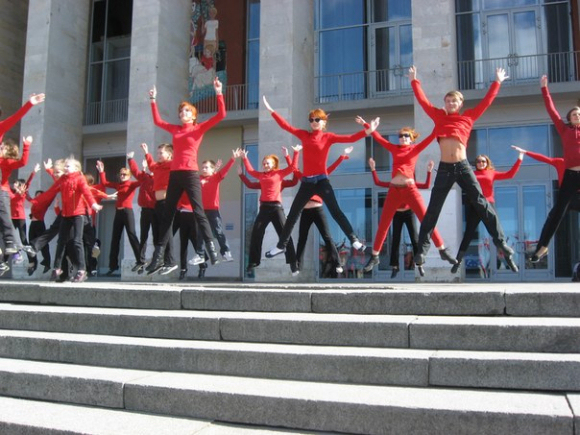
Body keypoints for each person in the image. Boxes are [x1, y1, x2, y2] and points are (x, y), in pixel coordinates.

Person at [408, 65, 518, 272]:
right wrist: (415, 80)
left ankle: (501, 242)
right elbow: (423, 102)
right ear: (445, 103)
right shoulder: (438, 116)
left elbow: (486, 103)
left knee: (482, 204)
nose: (451, 103)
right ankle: (421, 250)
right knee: (433, 209)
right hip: (445, 168)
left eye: (454, 101)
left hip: (463, 166)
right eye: (448, 101)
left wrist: (497, 82)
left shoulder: (467, 117)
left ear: (460, 103)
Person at [262, 96, 379, 259]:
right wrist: (271, 110)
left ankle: (355, 242)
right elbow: (285, 126)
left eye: (317, 119)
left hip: (322, 181)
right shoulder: (304, 135)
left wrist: (368, 130)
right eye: (311, 119)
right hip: (307, 183)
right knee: (293, 215)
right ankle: (281, 246)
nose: (314, 122)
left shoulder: (328, 137)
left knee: (336, 211)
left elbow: (350, 138)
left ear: (324, 122)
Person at [146, 77, 226, 274]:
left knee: (199, 212)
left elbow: (221, 115)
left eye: (187, 111)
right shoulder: (175, 129)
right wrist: (153, 99)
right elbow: (157, 121)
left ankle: (211, 250)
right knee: (168, 216)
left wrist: (218, 92)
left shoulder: (199, 128)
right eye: (181, 111)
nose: (183, 113)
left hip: (191, 174)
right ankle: (158, 258)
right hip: (176, 174)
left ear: (193, 116)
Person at [361, 123, 456, 274]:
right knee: (383, 225)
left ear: (411, 139)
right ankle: (375, 256)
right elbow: (378, 137)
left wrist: (440, 121)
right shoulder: (394, 148)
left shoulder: (415, 148)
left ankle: (442, 250)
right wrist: (367, 125)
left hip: (410, 190)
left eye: (406, 136)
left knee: (427, 220)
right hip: (394, 191)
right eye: (401, 136)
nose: (403, 138)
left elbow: (431, 136)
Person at [528, 75, 580, 263]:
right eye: (574, 114)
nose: (577, 116)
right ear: (569, 118)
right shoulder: (565, 130)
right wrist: (544, 89)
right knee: (558, 211)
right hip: (571, 175)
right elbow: (551, 110)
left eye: (579, 114)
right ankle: (542, 248)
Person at [283, 145, 353, 275]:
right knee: (302, 239)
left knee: (327, 237)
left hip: (317, 210)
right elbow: (294, 168)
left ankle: (337, 262)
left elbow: (331, 168)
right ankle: (297, 265)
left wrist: (342, 155)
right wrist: (288, 155)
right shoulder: (304, 178)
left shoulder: (322, 176)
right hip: (305, 211)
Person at [451, 150, 524, 274]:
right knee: (468, 234)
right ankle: (457, 262)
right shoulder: (471, 174)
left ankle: (509, 260)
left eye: (483, 161)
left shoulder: (491, 173)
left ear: (487, 163)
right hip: (475, 205)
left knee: (497, 233)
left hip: (489, 204)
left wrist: (520, 158)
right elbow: (459, 179)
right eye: (478, 161)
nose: (481, 163)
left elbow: (510, 175)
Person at [368, 157, 435, 278]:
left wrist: (429, 171)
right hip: (397, 214)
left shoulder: (412, 185)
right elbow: (378, 183)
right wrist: (373, 169)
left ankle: (419, 264)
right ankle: (395, 266)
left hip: (409, 213)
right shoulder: (393, 185)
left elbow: (426, 185)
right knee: (396, 239)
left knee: (414, 238)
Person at [241, 147, 299, 276]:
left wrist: (293, 153)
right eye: (264, 163)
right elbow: (250, 171)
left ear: (274, 164)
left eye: (268, 162)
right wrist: (244, 158)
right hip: (264, 208)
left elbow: (293, 168)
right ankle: (253, 262)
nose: (265, 164)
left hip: (276, 207)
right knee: (256, 232)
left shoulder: (279, 174)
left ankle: (293, 263)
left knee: (285, 235)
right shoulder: (261, 176)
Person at [44, 157, 102, 282]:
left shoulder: (79, 179)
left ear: (76, 168)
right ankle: (57, 267)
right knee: (61, 241)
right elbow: (52, 189)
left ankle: (82, 269)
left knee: (77, 241)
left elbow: (87, 193)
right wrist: (39, 201)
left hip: (78, 214)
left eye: (68, 166)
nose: (65, 168)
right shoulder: (63, 179)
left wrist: (93, 205)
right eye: (65, 166)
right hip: (66, 215)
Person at [97, 161, 142, 276]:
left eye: (124, 174)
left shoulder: (131, 184)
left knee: (132, 235)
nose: (122, 176)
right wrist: (102, 171)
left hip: (127, 211)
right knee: (115, 238)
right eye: (120, 174)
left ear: (129, 176)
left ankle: (140, 260)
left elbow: (142, 181)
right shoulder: (118, 185)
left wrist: (143, 169)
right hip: (118, 212)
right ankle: (113, 265)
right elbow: (105, 183)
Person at [200, 148, 242, 262]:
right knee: (199, 234)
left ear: (212, 169)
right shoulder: (198, 179)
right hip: (201, 211)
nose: (203, 169)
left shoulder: (215, 177)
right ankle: (203, 255)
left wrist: (233, 158)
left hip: (213, 210)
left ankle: (226, 252)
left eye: (206, 167)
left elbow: (225, 170)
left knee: (218, 231)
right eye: (202, 167)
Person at [0, 136, 33, 256]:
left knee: (6, 223)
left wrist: (26, 145)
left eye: (2, 147)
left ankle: (18, 247)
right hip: (5, 193)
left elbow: (23, 162)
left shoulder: (7, 161)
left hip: (2, 193)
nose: (0, 148)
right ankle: (15, 247)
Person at [127, 152, 156, 272]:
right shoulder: (145, 177)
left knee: (156, 236)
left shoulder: (158, 179)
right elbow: (135, 171)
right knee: (143, 236)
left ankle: (156, 260)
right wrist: (130, 159)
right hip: (145, 210)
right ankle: (141, 261)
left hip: (155, 210)